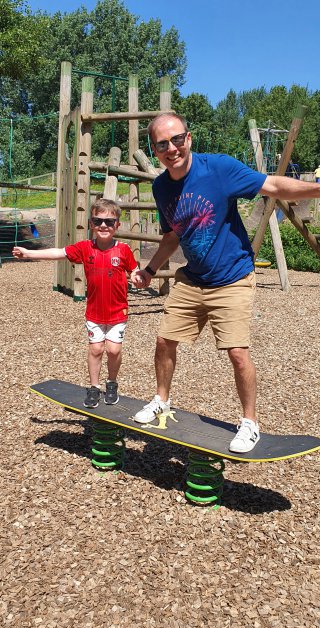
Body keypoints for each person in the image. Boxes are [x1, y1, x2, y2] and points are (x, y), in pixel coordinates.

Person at [131, 112, 320, 453]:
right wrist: (150, 269)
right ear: (155, 150)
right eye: (162, 144)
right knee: (163, 341)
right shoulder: (161, 187)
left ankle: (250, 423)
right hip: (192, 277)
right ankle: (161, 400)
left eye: (177, 140)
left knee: (237, 353)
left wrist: (318, 190)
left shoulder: (218, 169)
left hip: (232, 277)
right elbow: (172, 236)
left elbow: (273, 186)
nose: (171, 148)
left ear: (188, 139)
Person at [13, 198, 139, 409]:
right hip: (94, 312)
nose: (103, 226)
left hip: (118, 311)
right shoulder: (85, 248)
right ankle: (93, 386)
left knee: (114, 350)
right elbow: (59, 253)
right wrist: (29, 253)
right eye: (98, 221)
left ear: (117, 225)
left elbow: (135, 270)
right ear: (91, 224)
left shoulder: (123, 250)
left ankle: (112, 383)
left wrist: (138, 276)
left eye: (109, 222)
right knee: (96, 349)